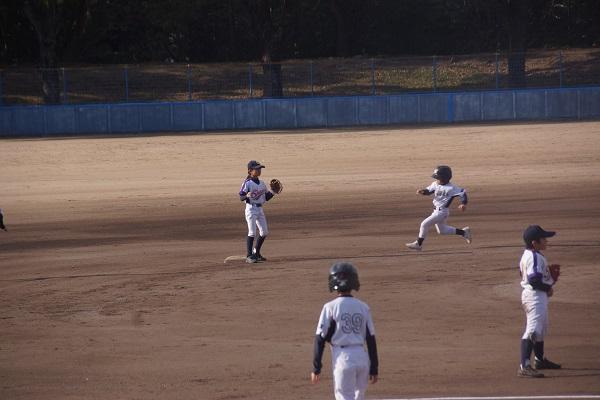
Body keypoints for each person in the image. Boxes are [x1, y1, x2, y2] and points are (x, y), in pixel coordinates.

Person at [311, 262, 378, 400]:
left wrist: (316, 368)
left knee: (344, 397)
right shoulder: (363, 307)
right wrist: (374, 368)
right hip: (362, 358)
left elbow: (320, 338)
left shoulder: (330, 307)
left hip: (343, 359)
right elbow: (371, 339)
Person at [518, 225, 562, 378]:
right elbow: (534, 280)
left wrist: (546, 280)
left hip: (536, 295)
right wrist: (547, 287)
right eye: (543, 238)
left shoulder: (530, 254)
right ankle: (524, 365)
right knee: (533, 330)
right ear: (534, 243)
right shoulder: (533, 257)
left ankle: (539, 360)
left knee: (541, 329)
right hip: (534, 296)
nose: (546, 241)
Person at [405, 165, 471, 251]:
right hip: (436, 211)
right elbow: (429, 191)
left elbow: (463, 193)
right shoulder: (435, 184)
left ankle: (418, 244)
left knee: (424, 224)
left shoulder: (452, 188)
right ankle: (464, 232)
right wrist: (423, 191)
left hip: (442, 212)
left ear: (444, 178)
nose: (436, 179)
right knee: (442, 230)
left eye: (438, 178)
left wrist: (463, 204)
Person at [238, 160, 276, 263]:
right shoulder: (247, 183)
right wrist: (246, 196)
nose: (259, 171)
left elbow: (266, 197)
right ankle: (249, 256)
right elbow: (241, 197)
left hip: (260, 209)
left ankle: (257, 253)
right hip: (250, 209)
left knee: (264, 232)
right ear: (250, 171)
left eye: (260, 169)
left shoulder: (262, 183)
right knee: (252, 232)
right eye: (257, 169)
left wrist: (273, 192)